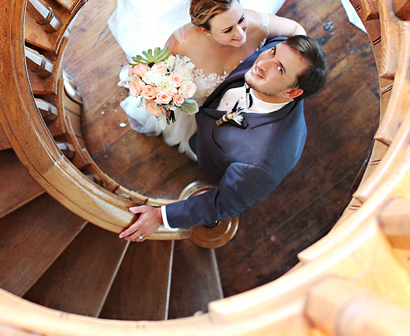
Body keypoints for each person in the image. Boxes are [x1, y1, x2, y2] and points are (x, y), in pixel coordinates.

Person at [119, 34, 328, 241]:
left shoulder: (261, 162)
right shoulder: (275, 49)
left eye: (280, 69)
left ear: (292, 93)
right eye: (273, 52)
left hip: (207, 154)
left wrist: (160, 216)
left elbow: (224, 203)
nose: (263, 63)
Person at [109, 0, 300, 158]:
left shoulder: (257, 23)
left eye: (240, 19)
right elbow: (161, 74)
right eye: (228, 30)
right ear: (204, 30)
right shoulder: (181, 44)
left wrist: (301, 62)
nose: (241, 34)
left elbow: (294, 30)